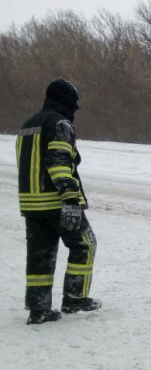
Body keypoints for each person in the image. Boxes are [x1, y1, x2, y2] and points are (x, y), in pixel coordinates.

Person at [16, 79, 102, 325]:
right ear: (65, 101)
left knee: (40, 254)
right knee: (85, 243)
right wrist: (71, 199)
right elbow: (58, 163)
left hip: (31, 204)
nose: (75, 110)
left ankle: (39, 309)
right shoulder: (60, 124)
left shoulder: (27, 125)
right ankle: (75, 298)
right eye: (74, 104)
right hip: (56, 201)